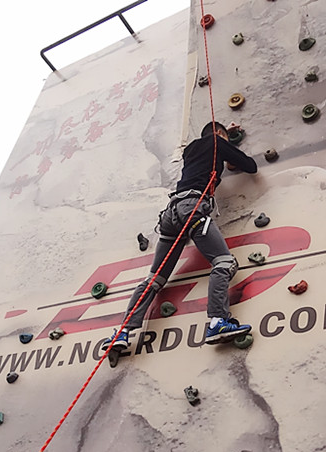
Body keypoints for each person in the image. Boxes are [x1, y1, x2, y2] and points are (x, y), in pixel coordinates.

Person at [101, 122, 258, 352]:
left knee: (155, 278)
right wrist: (227, 144)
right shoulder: (217, 142)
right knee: (224, 262)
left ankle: (122, 333)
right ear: (219, 134)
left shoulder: (191, 150)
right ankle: (217, 321)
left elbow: (211, 159)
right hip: (193, 208)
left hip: (171, 214)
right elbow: (250, 166)